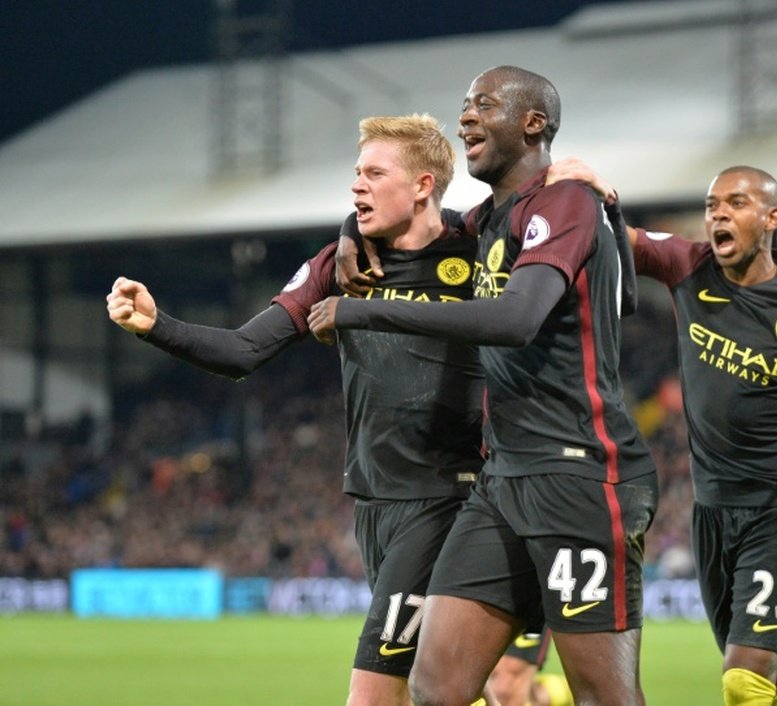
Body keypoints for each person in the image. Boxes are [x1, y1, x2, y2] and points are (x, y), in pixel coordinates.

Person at [107, 113, 511, 706]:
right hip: (375, 502)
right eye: (356, 174)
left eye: (375, 173)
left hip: (450, 497)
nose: (358, 186)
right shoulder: (339, 264)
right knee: (437, 688)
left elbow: (540, 220)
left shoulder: (477, 247)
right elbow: (244, 350)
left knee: (372, 695)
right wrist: (156, 326)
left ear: (424, 184)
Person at [308, 65, 659, 706]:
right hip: (500, 481)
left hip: (579, 474)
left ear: (533, 124)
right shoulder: (485, 222)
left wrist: (361, 309)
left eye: (484, 104)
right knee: (437, 686)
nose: (466, 115)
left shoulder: (565, 202)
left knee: (603, 694)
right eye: (464, 104)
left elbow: (515, 319)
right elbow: (407, 217)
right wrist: (349, 228)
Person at [619, 165, 777, 706]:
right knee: (774, 686)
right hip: (711, 510)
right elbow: (609, 236)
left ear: (771, 218)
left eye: (735, 203)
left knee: (744, 682)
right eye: (712, 204)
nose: (718, 213)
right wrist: (577, 191)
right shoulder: (688, 267)